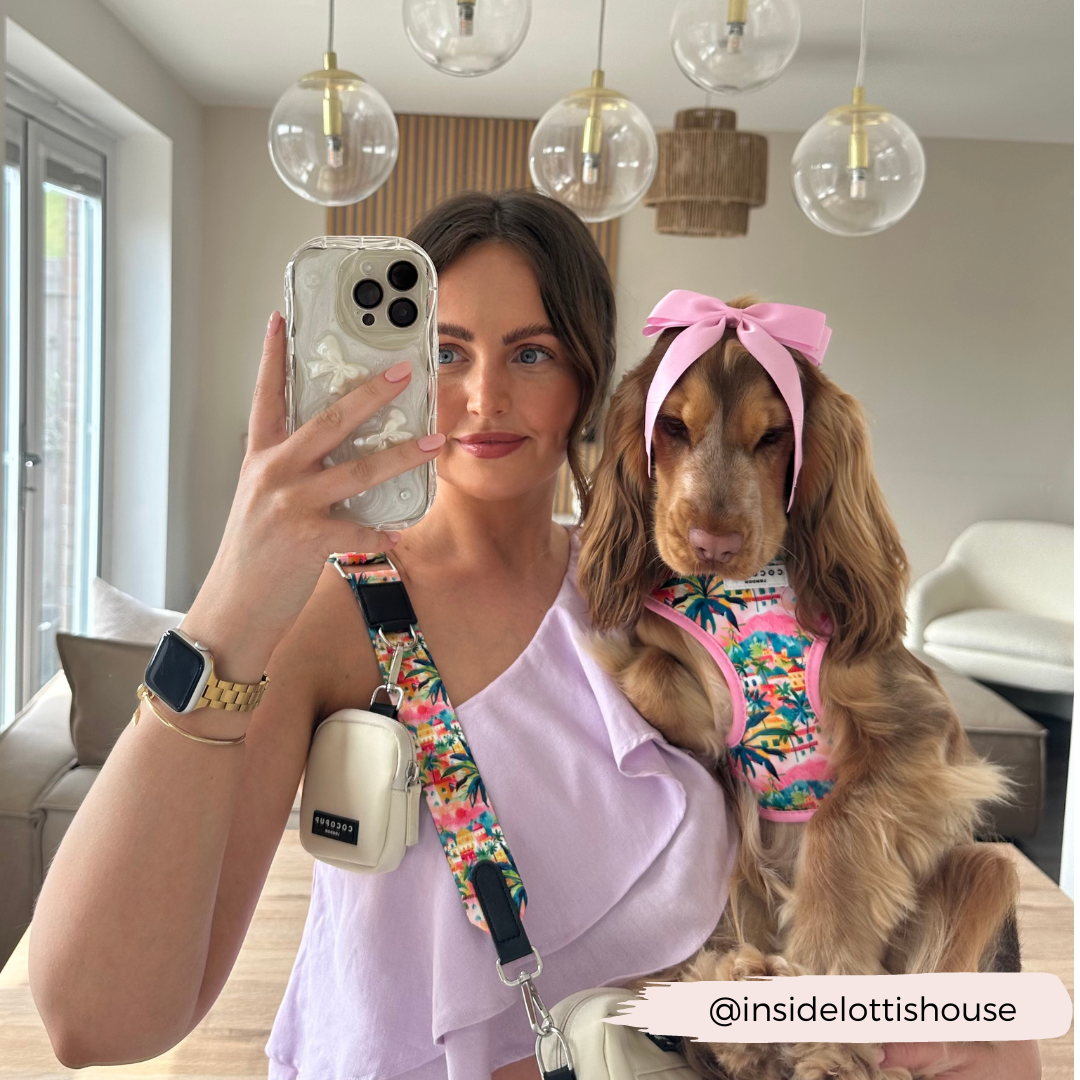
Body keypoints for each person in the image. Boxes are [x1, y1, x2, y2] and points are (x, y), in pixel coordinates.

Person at [26, 189, 1040, 1080]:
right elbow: (93, 1018)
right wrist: (233, 598)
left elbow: (850, 831)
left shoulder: (654, 602)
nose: (484, 398)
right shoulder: (335, 612)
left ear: (589, 387)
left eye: (532, 353)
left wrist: (953, 1021)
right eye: (447, 350)